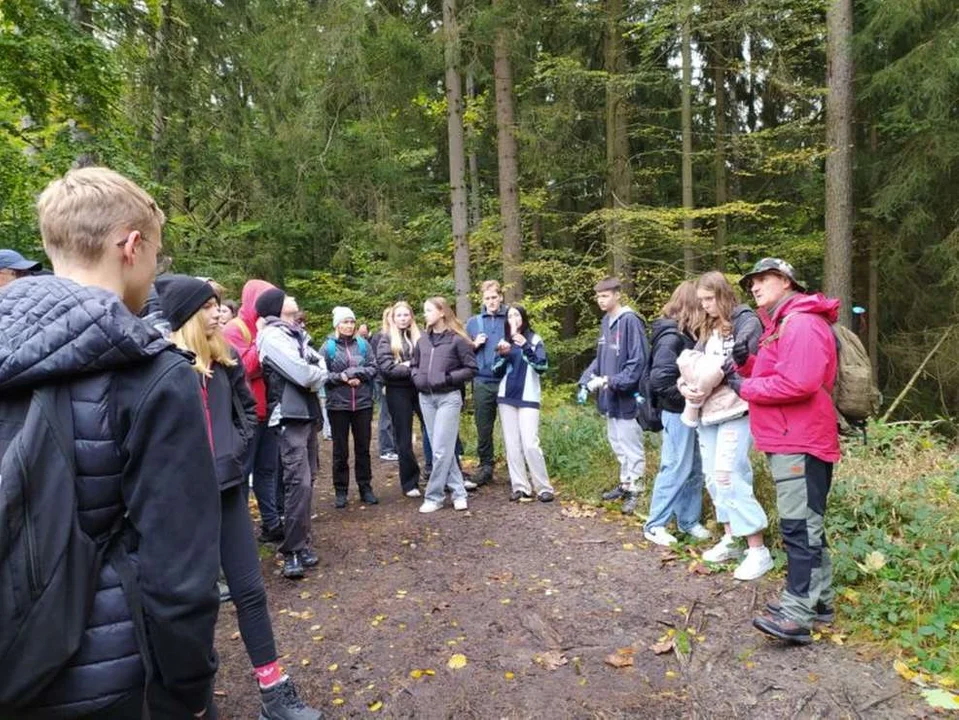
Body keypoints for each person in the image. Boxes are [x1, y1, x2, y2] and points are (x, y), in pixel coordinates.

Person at [0, 167, 219, 717]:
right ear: (131, 244)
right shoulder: (153, 374)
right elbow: (178, 574)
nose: (154, 269)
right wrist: (188, 690)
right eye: (156, 254)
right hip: (109, 675)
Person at [156, 275, 322, 719]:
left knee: (250, 592)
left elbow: (249, 411)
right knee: (195, 601)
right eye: (209, 306)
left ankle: (274, 692)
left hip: (228, 492)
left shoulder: (226, 362)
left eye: (219, 305)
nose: (219, 313)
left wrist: (234, 451)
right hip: (182, 505)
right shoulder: (160, 369)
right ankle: (195, 699)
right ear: (188, 314)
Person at [731, 258, 841, 645]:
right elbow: (778, 370)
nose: (755, 288)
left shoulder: (802, 322)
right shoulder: (782, 324)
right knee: (807, 524)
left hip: (802, 438)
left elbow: (801, 381)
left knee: (799, 528)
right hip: (791, 437)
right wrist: (747, 366)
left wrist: (744, 389)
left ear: (785, 281)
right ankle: (820, 603)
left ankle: (798, 612)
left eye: (762, 280)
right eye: (751, 283)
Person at [679, 270, 772, 581]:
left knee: (730, 474)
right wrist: (687, 386)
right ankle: (731, 537)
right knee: (713, 478)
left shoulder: (745, 320)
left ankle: (757, 548)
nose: (705, 305)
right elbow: (694, 364)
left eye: (709, 298)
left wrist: (707, 379)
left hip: (736, 408)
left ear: (722, 294)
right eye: (701, 300)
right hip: (707, 411)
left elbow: (740, 360)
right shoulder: (708, 329)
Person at [257, 289, 327, 580]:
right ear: (276, 309)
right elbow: (304, 374)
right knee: (297, 482)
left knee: (308, 479)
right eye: (287, 302)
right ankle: (292, 550)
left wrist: (315, 373)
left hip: (307, 413)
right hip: (288, 415)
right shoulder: (272, 337)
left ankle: (303, 542)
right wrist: (314, 374)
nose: (294, 305)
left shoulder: (297, 335)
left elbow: (320, 365)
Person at [643, 281, 710, 546]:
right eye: (701, 303)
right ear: (692, 306)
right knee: (675, 466)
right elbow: (659, 380)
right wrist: (686, 398)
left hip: (688, 412)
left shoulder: (688, 335)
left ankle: (688, 520)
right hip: (676, 412)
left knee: (694, 468)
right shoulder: (672, 337)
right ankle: (655, 523)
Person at [577, 276, 650, 515]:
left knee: (631, 445)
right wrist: (587, 379)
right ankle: (626, 483)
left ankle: (637, 490)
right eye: (598, 296)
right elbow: (601, 358)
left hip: (628, 396)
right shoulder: (606, 322)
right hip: (609, 397)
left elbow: (637, 361)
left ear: (617, 295)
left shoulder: (630, 321)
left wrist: (613, 381)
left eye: (605, 295)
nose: (601, 300)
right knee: (617, 442)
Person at [224, 279, 284, 543]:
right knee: (242, 473)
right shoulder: (234, 330)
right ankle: (239, 531)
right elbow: (243, 368)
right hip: (246, 415)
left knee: (267, 471)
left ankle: (271, 524)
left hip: (268, 412)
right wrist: (261, 337)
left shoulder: (265, 327)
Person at [411, 296, 477, 513]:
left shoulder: (457, 340)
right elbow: (414, 365)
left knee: (440, 450)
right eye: (424, 311)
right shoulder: (422, 340)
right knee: (443, 448)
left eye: (429, 310)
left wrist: (448, 378)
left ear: (441, 312)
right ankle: (459, 492)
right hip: (426, 399)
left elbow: (471, 369)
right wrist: (418, 378)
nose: (425, 314)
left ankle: (434, 496)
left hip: (448, 397)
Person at [491, 304, 555, 503]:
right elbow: (495, 370)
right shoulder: (503, 341)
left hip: (528, 396)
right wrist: (503, 355)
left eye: (516, 315)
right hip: (506, 396)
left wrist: (525, 346)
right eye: (509, 315)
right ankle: (520, 486)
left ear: (523, 318)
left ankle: (543, 487)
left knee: (530, 443)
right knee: (512, 445)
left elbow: (542, 366)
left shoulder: (535, 340)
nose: (513, 319)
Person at [324, 306, 379, 508]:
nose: (348, 325)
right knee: (340, 450)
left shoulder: (363, 345)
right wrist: (343, 377)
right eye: (344, 322)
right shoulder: (328, 347)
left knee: (363, 448)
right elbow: (322, 374)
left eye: (351, 321)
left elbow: (374, 367)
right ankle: (341, 490)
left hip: (363, 403)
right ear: (337, 324)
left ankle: (365, 487)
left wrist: (356, 373)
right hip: (338, 405)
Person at [376, 301, 427, 498]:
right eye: (399, 315)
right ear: (393, 318)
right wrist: (412, 368)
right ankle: (409, 482)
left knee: (432, 431)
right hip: (398, 392)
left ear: (411, 317)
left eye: (406, 315)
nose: (403, 318)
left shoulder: (421, 336)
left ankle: (440, 474)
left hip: (421, 389)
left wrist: (407, 365)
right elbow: (387, 368)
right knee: (404, 438)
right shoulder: (385, 338)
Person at [465, 280, 509, 487]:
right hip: (482, 380)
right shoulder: (474, 323)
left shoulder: (512, 317)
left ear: (500, 297)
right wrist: (474, 345)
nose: (491, 301)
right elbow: (462, 353)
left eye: (494, 297)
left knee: (511, 426)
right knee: (483, 426)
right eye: (487, 298)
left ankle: (515, 467)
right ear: (482, 300)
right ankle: (485, 467)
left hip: (508, 378)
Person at [370, 308, 398, 461]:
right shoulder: (379, 337)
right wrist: (384, 382)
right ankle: (386, 448)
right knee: (385, 414)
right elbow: (377, 362)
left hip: (397, 381)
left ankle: (395, 446)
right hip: (382, 381)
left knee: (396, 415)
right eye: (391, 316)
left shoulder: (399, 336)